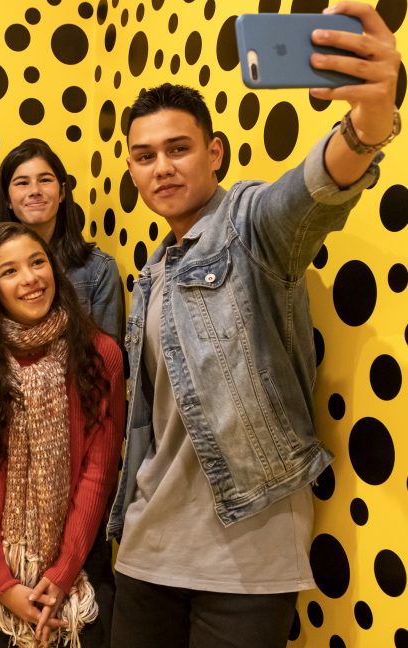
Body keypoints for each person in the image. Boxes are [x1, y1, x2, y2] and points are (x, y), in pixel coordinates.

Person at [108, 4, 400, 647]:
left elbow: (312, 191)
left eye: (179, 148)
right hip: (146, 549)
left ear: (214, 151)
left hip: (246, 560)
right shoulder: (152, 270)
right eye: (144, 155)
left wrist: (370, 122)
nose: (161, 168)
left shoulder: (250, 226)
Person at [0, 222, 126, 647]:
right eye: (9, 271)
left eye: (37, 262)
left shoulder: (100, 355)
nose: (30, 279)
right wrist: (3, 584)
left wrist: (62, 575)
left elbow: (99, 471)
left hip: (78, 566)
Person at [0, 138, 124, 341]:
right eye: (22, 183)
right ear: (7, 198)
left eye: (44, 180)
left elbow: (108, 360)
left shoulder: (99, 270)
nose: (35, 191)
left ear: (61, 192)